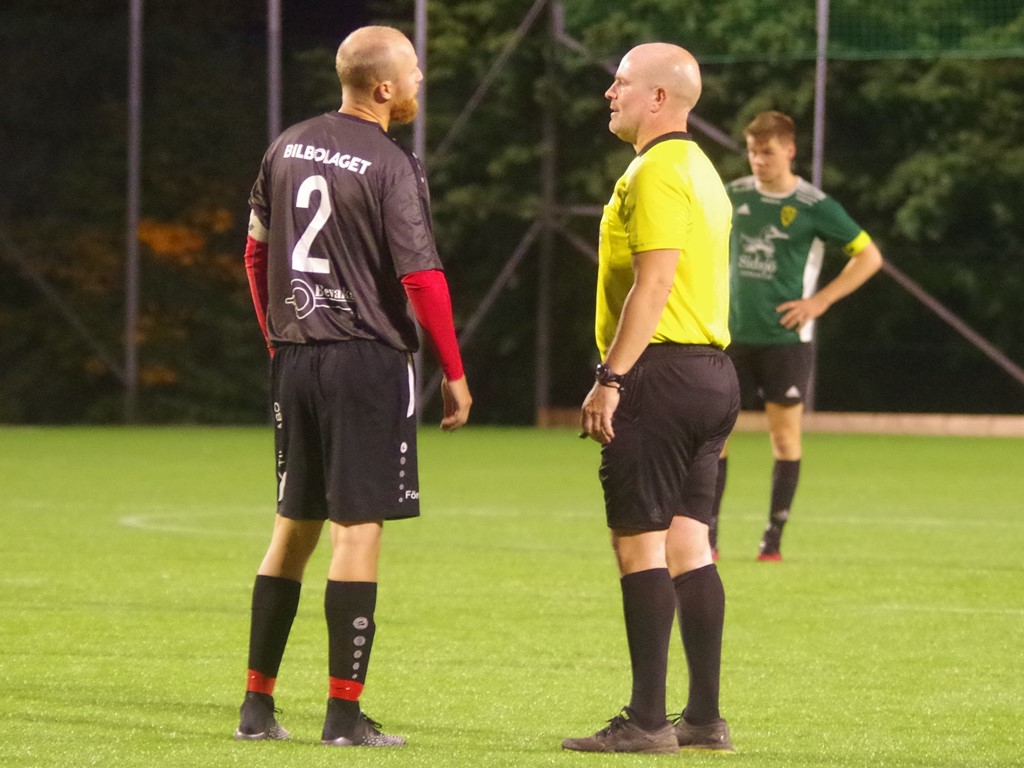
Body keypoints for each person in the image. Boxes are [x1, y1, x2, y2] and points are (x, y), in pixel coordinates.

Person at [233, 25, 472, 748]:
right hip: (366, 363)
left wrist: (277, 335)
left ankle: (257, 708)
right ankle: (343, 716)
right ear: (384, 88)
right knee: (357, 530)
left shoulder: (286, 143)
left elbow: (253, 252)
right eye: (415, 72)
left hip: (297, 360)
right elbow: (422, 279)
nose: (422, 81)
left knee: (292, 528)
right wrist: (455, 373)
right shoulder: (393, 164)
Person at [562, 43, 739, 755]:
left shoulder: (657, 170)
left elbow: (655, 282)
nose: (611, 92)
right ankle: (702, 719)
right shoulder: (703, 169)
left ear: (660, 98)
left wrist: (611, 377)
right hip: (710, 373)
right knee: (689, 542)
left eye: (624, 82)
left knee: (638, 546)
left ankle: (646, 720)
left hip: (659, 377)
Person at [711, 111, 883, 561]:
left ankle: (773, 541)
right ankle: (706, 540)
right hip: (730, 338)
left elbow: (868, 257)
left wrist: (819, 302)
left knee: (784, 439)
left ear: (789, 150)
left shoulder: (814, 206)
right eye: (751, 152)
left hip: (786, 341)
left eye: (766, 152)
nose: (757, 161)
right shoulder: (733, 196)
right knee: (715, 436)